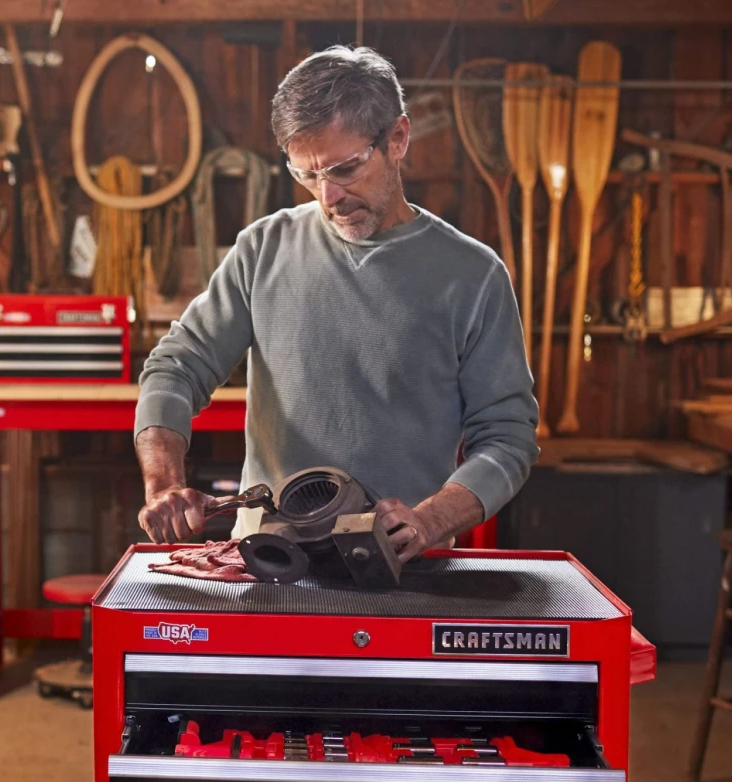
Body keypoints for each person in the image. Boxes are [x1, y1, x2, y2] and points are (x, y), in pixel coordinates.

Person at [135, 45, 538, 563]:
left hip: (403, 569)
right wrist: (164, 481)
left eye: (345, 169)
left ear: (397, 138)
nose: (327, 197)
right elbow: (176, 366)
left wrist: (431, 519)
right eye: (307, 175)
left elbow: (507, 439)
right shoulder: (263, 250)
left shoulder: (473, 276)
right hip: (264, 562)